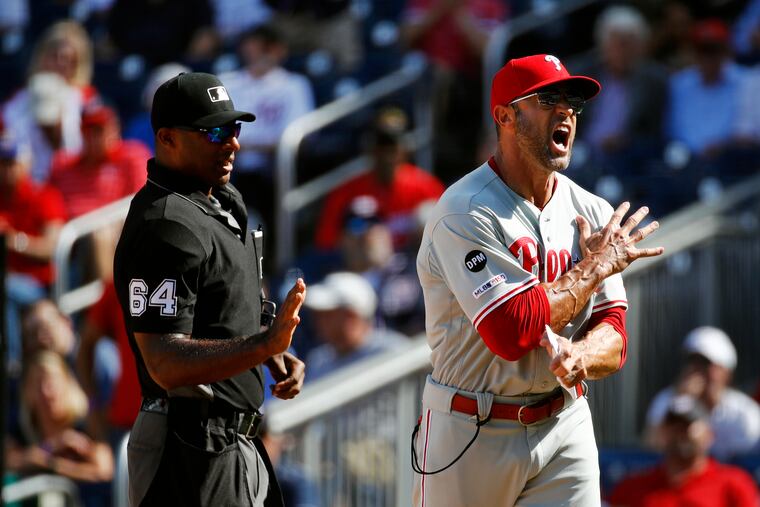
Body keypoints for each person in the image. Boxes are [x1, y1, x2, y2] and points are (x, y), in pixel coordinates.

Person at [412, 54, 664, 505]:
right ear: (505, 116)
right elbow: (511, 330)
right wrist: (592, 268)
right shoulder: (464, 209)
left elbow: (616, 333)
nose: (565, 109)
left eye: (573, 101)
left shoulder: (592, 212)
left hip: (563, 422)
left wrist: (582, 352)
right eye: (548, 99)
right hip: (471, 427)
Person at [113, 71, 307, 507]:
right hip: (185, 447)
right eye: (213, 131)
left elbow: (224, 310)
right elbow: (164, 360)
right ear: (167, 138)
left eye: (234, 128)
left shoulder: (223, 198)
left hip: (236, 442)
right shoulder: (165, 224)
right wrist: (261, 345)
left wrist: (273, 354)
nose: (232, 142)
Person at [220, 23, 315, 237]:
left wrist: (248, 145)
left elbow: (297, 137)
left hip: (274, 169)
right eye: (252, 46)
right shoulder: (229, 82)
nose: (255, 52)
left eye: (264, 47)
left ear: (277, 49)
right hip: (231, 164)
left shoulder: (293, 84)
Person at [314, 106, 445, 252]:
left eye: (392, 147)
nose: (387, 155)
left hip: (414, 266)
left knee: (427, 213)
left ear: (404, 150)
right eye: (381, 147)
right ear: (370, 150)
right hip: (367, 270)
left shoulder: (424, 185)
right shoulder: (348, 191)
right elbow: (326, 243)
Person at [607, 394, 760, 507]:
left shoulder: (733, 484)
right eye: (674, 427)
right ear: (662, 434)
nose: (681, 433)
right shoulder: (631, 488)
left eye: (688, 426)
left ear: (709, 434)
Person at [0, 134, 65, 373]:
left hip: (38, 287)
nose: (6, 170)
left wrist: (14, 241)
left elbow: (51, 247)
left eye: (11, 162)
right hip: (9, 281)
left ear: (25, 164)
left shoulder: (43, 195)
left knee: (5, 286)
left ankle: (11, 365)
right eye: (2, 163)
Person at [645, 326, 760, 461]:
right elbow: (651, 448)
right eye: (692, 361)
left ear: (726, 372)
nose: (697, 369)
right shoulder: (668, 400)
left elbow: (750, 461)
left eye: (706, 363)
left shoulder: (744, 412)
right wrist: (682, 401)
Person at [5, 350, 114, 486]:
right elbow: (10, 461)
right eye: (37, 383)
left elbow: (104, 470)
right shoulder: (22, 428)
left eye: (51, 382)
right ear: (27, 391)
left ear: (67, 384)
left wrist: (54, 465)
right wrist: (52, 446)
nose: (46, 391)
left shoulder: (85, 424)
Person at [303, 271, 408, 381]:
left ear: (351, 316)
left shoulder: (392, 351)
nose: (318, 321)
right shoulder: (318, 361)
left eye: (327, 315)